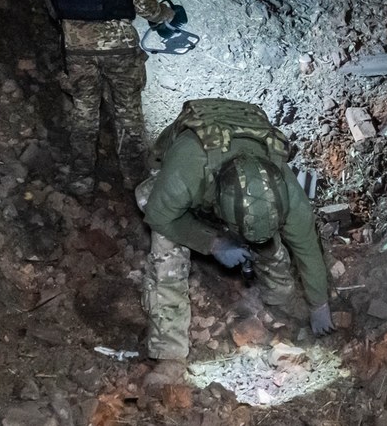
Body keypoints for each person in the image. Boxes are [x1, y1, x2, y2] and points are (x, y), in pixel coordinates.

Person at [135, 98, 336, 385]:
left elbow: (307, 249)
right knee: (167, 251)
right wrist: (213, 243)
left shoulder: (287, 195)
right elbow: (158, 215)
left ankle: (283, 305)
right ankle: (169, 353)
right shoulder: (188, 168)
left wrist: (319, 305)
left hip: (238, 198)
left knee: (273, 256)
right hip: (177, 186)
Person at [47, 0, 177, 194]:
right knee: (128, 113)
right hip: (119, 50)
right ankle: (136, 179)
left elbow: (52, 1)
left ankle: (81, 180)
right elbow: (145, 5)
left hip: (75, 50)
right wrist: (166, 15)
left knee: (84, 114)